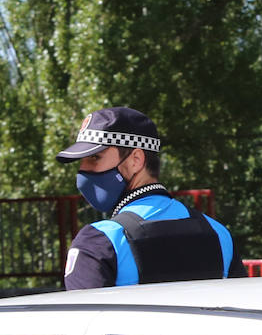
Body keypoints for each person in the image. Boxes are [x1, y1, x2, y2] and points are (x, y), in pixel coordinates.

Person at [56, 106, 246, 289]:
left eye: (95, 158)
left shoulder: (99, 242)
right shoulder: (218, 234)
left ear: (135, 160)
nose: (83, 171)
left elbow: (84, 321)